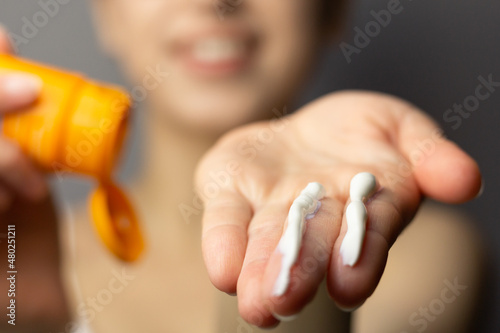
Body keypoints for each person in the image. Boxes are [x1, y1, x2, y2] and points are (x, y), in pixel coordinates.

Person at [0, 1, 484, 332]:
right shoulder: (19, 264)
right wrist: (33, 320)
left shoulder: (418, 258)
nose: (218, 0)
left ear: (332, 9)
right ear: (106, 13)